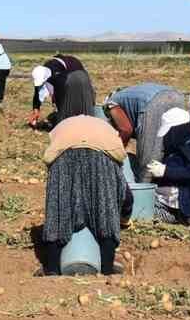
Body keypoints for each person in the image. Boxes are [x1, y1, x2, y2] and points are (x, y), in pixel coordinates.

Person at [40, 114, 130, 276]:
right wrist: (123, 218)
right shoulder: (107, 130)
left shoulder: (65, 124)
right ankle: (107, 269)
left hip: (63, 154)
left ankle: (52, 268)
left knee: (58, 209)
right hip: (101, 157)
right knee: (106, 211)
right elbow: (126, 195)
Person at [104, 82, 186, 177]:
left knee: (148, 161)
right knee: (174, 147)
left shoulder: (111, 103)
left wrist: (116, 151)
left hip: (154, 102)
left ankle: (146, 188)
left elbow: (126, 130)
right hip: (177, 97)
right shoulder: (130, 95)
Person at [28, 55, 94, 127]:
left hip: (77, 76)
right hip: (71, 78)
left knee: (72, 107)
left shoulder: (58, 76)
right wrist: (36, 109)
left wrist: (60, 112)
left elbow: (61, 97)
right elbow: (37, 92)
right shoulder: (43, 72)